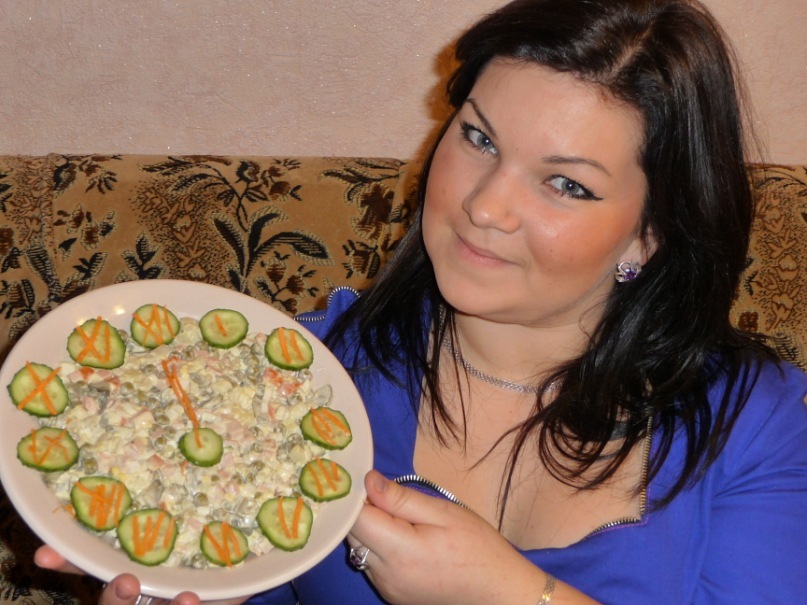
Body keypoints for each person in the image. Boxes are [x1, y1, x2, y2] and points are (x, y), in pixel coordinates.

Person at [36, 0, 807, 603]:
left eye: (564, 184)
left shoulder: (757, 425)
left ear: (648, 233)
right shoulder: (300, 377)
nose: (484, 206)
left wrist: (506, 594)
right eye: (479, 139)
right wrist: (170, 581)